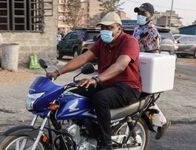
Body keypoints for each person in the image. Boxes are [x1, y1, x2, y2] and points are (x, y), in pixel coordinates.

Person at [47, 12, 141, 150]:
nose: (105, 31)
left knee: (100, 98)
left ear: (119, 28)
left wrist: (96, 79)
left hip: (127, 87)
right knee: (71, 93)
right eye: (103, 27)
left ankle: (106, 143)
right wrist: (58, 72)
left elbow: (120, 66)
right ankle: (80, 130)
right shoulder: (101, 43)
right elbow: (83, 58)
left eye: (110, 28)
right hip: (106, 84)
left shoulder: (129, 41)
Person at [133, 3, 171, 140]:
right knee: (142, 100)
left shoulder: (152, 32)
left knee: (146, 100)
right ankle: (158, 122)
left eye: (144, 14)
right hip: (135, 68)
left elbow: (154, 55)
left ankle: (162, 122)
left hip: (145, 70)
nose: (140, 16)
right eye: (139, 13)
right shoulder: (138, 28)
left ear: (151, 15)